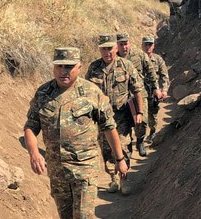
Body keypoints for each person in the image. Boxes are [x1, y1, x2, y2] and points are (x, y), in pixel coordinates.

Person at [24, 47, 128, 219]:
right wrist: (34, 154)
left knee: (83, 216)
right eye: (60, 66)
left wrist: (119, 159)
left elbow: (109, 127)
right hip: (58, 171)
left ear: (79, 67)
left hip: (85, 168)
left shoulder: (91, 93)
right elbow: (30, 127)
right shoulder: (43, 93)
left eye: (69, 67)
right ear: (54, 67)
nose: (63, 71)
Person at [85, 35, 144, 196]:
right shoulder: (94, 67)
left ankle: (124, 178)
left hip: (121, 116)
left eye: (109, 48)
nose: (107, 52)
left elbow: (137, 89)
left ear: (116, 48)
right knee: (106, 149)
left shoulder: (126, 66)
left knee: (123, 147)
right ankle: (113, 177)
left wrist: (139, 112)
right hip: (101, 118)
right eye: (103, 49)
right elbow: (86, 91)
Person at [116, 33, 161, 157]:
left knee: (142, 121)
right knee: (124, 123)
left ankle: (140, 141)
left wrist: (156, 88)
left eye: (126, 44)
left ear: (129, 43)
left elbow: (150, 70)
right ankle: (128, 146)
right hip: (121, 96)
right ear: (117, 45)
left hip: (139, 94)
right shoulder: (113, 58)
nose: (124, 47)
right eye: (121, 44)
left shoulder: (139, 54)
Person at [141, 36, 170, 143]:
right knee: (140, 116)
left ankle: (152, 133)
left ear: (153, 46)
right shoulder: (137, 59)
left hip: (153, 94)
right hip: (140, 93)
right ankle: (140, 138)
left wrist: (164, 90)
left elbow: (164, 76)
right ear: (142, 45)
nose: (148, 46)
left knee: (152, 115)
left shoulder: (158, 60)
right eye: (146, 44)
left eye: (150, 44)